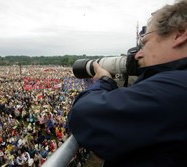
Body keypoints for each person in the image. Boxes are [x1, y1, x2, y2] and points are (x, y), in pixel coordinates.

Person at [68, 1, 187, 167]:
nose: (138, 55)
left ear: (179, 34)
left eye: (145, 43)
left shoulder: (176, 89)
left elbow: (82, 116)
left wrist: (104, 82)